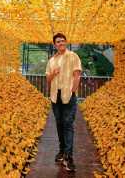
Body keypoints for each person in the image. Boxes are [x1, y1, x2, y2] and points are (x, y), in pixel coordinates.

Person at [45, 33, 82, 172]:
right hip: (55, 95)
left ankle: (69, 156)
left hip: (68, 94)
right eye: (58, 41)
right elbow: (48, 80)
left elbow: (77, 74)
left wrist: (73, 90)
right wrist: (53, 73)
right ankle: (62, 151)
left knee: (68, 124)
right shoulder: (52, 60)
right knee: (59, 123)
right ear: (55, 44)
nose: (61, 43)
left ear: (66, 42)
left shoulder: (73, 56)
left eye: (63, 41)